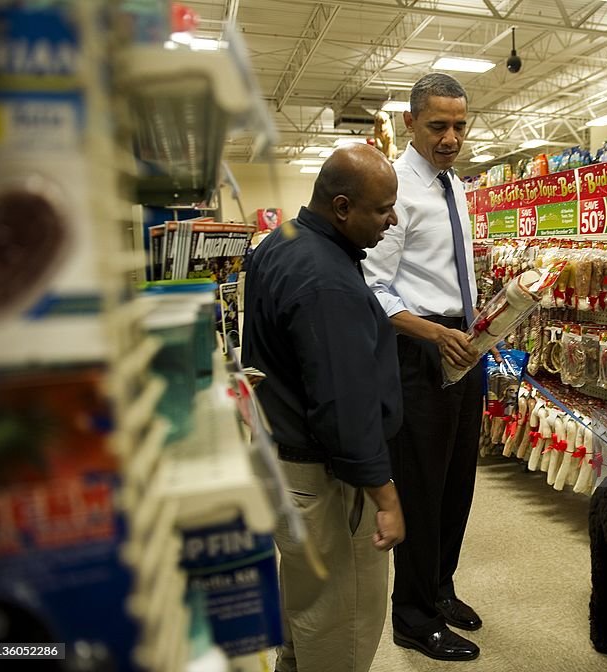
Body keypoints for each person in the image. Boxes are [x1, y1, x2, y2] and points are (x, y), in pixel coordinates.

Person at [241, 144, 405, 672]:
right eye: (383, 209)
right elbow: (343, 408)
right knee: (341, 631)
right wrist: (386, 497)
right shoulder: (327, 280)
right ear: (341, 207)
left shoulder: (282, 240)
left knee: (307, 615)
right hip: (325, 480)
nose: (392, 219)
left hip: (283, 462)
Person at [362, 72, 485, 662]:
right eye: (438, 125)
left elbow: (449, 270)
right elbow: (374, 289)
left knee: (458, 481)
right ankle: (411, 616)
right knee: (420, 486)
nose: (451, 137)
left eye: (460, 125)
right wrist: (435, 332)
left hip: (465, 344)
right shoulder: (398, 190)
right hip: (420, 351)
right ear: (411, 122)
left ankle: (439, 588)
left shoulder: (454, 185)